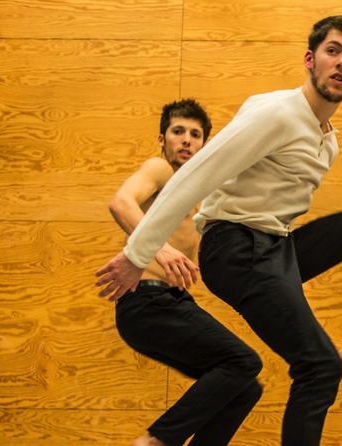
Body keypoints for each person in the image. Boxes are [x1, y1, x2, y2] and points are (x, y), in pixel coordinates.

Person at [95, 15, 342, 446]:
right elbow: (195, 177)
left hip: (274, 247)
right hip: (235, 248)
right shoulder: (277, 113)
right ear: (310, 60)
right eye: (333, 51)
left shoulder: (328, 141)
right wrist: (139, 254)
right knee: (319, 366)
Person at [108, 99, 263, 446]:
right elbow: (121, 202)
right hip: (147, 301)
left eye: (195, 134)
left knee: (243, 388)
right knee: (242, 361)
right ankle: (156, 441)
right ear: (162, 139)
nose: (186, 140)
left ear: (204, 144)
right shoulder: (159, 170)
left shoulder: (199, 191)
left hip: (169, 303)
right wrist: (157, 247)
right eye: (178, 132)